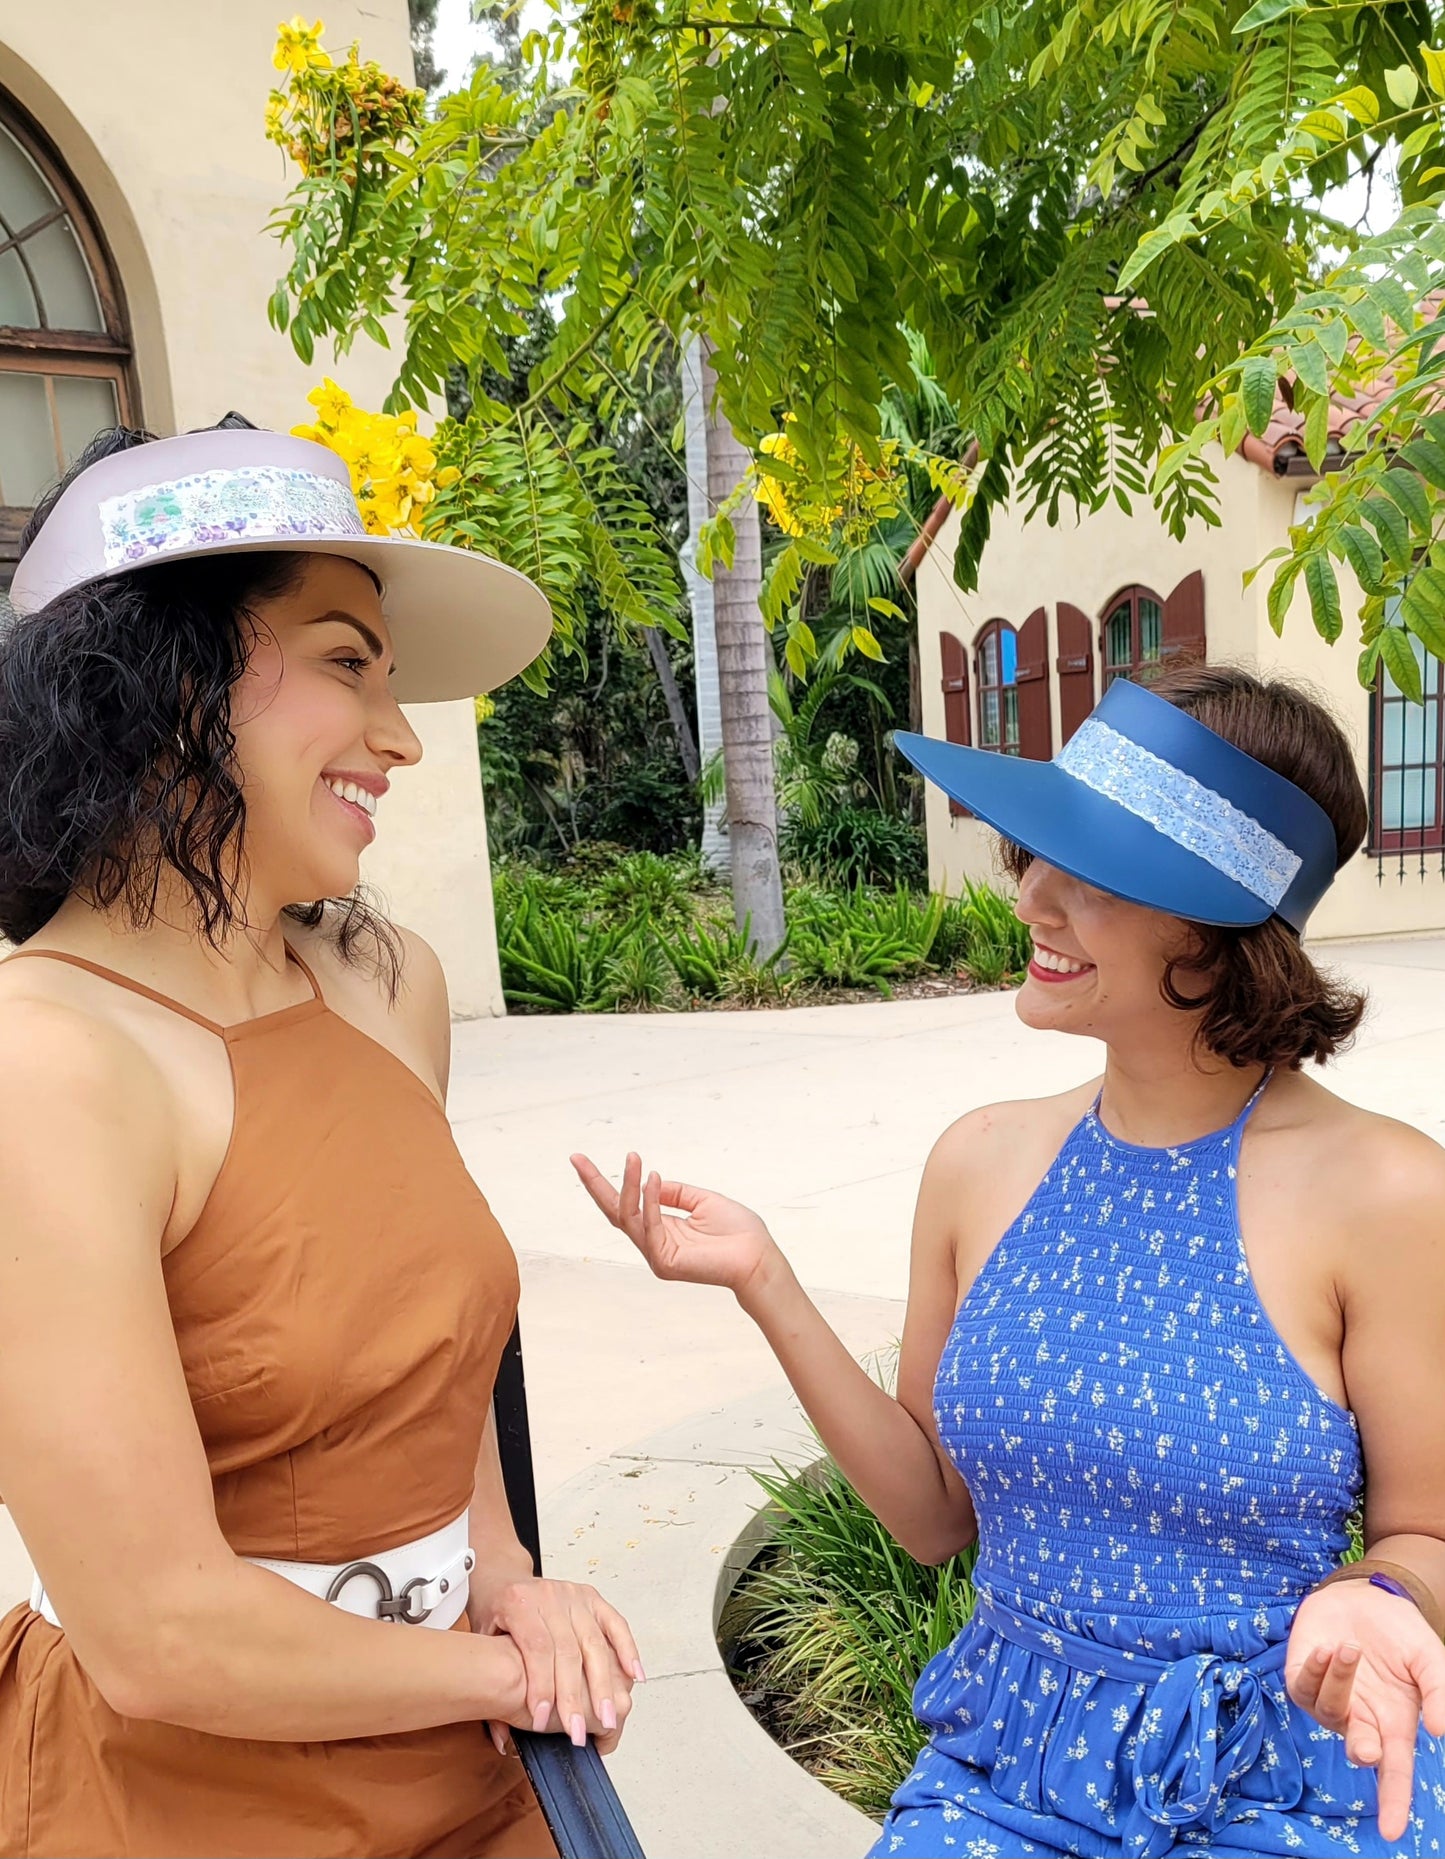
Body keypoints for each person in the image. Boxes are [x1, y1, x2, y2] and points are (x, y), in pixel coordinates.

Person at [575, 661, 1445, 1858]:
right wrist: (764, 1279)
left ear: (1214, 915)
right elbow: (934, 1518)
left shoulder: (1386, 1191)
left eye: (1085, 874)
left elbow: (1426, 1531)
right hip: (1002, 1768)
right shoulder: (978, 1162)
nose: (1030, 897)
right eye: (1031, 857)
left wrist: (1377, 1596)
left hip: (1281, 1774)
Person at [0, 419, 640, 1859]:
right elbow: (157, 1631)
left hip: (469, 1761)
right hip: (186, 1796)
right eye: (348, 662)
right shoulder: (44, 1063)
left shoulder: (387, 980)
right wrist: (510, 1670)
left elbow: (434, 1343)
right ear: (158, 681)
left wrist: (509, 1572)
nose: (402, 736)